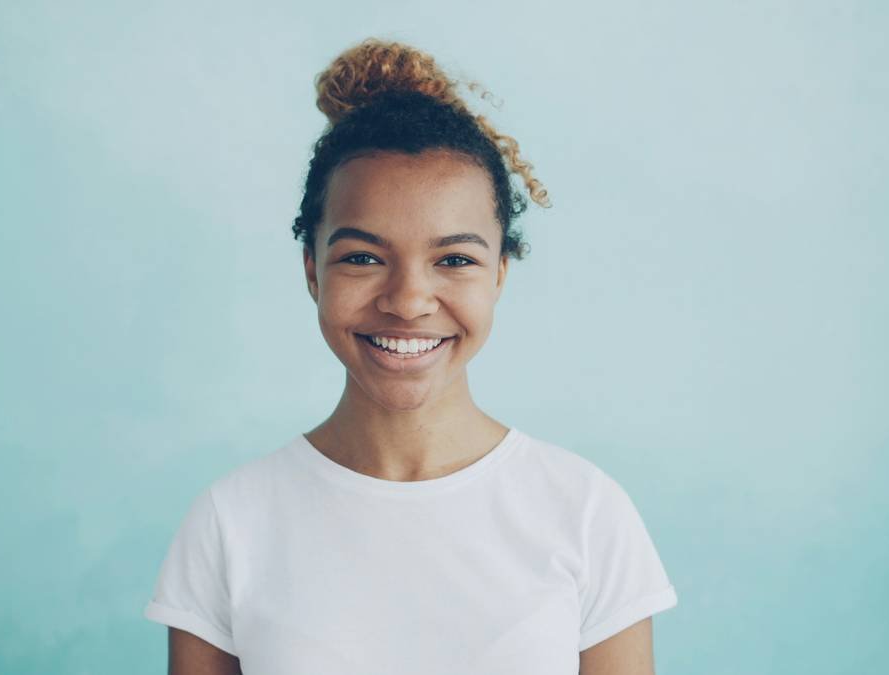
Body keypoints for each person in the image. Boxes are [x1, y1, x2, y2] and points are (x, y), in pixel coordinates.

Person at [143, 37, 677, 675]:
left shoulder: (587, 514)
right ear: (313, 271)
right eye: (363, 257)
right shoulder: (230, 523)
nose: (407, 301)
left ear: (499, 274)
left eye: (454, 259)